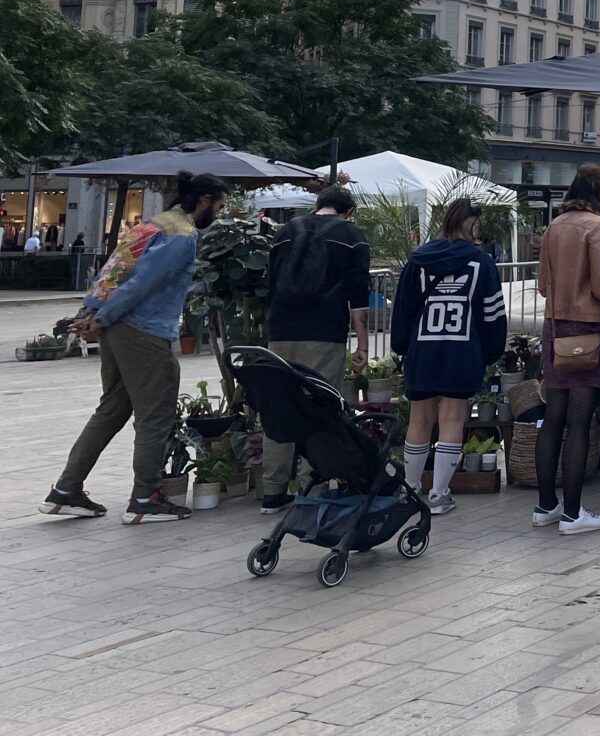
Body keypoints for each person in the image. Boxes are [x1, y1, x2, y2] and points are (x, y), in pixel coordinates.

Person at [40, 172, 229, 524]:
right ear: (204, 200)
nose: (217, 213)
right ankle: (146, 497)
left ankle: (65, 491)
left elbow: (112, 272)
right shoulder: (183, 234)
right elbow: (143, 283)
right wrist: (101, 316)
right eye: (218, 206)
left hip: (116, 328)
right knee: (156, 415)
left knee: (111, 411)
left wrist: (93, 312)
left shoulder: (150, 225)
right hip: (144, 331)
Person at [259, 185, 373, 513]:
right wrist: (362, 346)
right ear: (348, 210)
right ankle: (316, 484)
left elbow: (270, 285)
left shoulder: (284, 232)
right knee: (321, 409)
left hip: (279, 332)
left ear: (317, 204)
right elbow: (358, 297)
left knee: (278, 408)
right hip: (324, 335)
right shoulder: (352, 236)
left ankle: (273, 491)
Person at [392, 198, 507, 514]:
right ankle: (439, 494)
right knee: (452, 419)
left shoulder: (417, 262)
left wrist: (402, 347)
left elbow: (403, 310)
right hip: (461, 349)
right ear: (472, 226)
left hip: (422, 349)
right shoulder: (480, 262)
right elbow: (492, 313)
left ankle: (411, 490)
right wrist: (491, 351)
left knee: (419, 418)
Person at [533, 164, 600, 534]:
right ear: (599, 187)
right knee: (580, 421)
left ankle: (545, 506)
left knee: (553, 417)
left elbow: (542, 284)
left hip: (555, 327)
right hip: (587, 330)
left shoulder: (555, 225)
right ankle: (573, 512)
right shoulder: (597, 226)